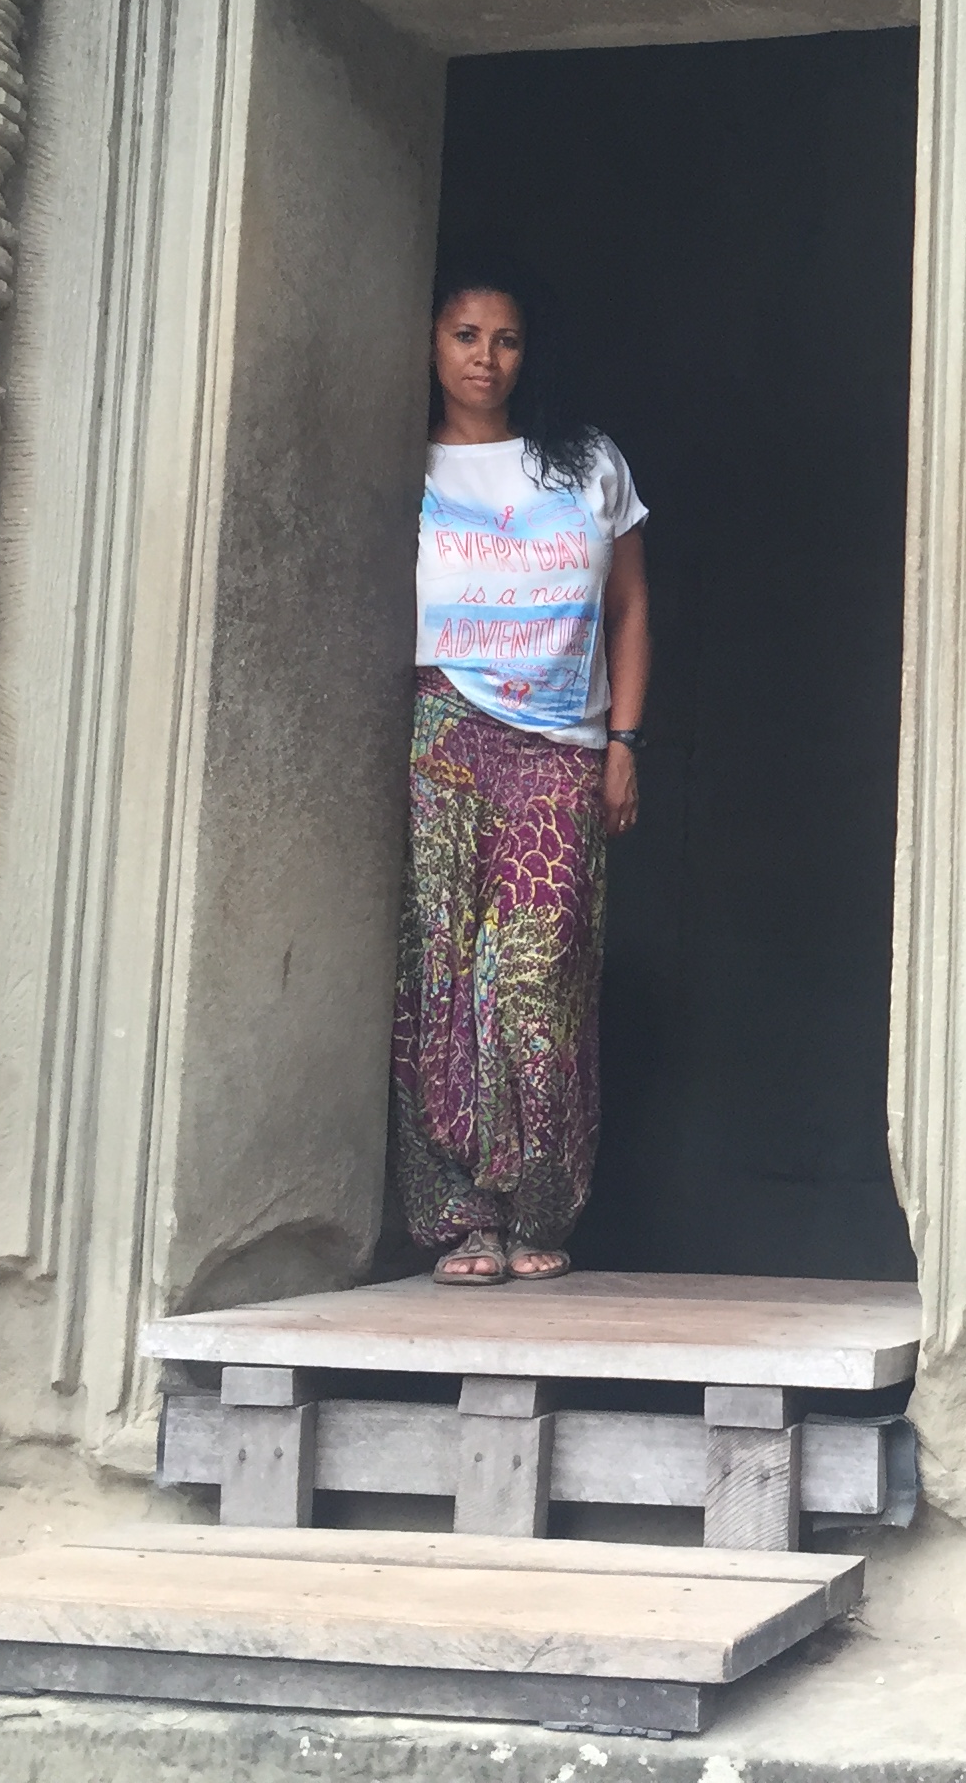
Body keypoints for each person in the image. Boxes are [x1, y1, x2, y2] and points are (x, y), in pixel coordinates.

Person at [403, 256, 650, 1284]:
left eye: (505, 339)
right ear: (430, 343)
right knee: (448, 972)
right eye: (465, 336)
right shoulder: (404, 463)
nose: (485, 359)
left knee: (538, 974)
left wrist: (624, 743)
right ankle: (467, 1219)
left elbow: (629, 607)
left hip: (560, 746)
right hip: (443, 731)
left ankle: (540, 1208)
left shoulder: (584, 464)